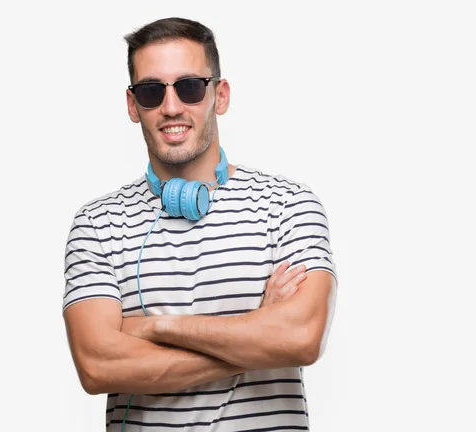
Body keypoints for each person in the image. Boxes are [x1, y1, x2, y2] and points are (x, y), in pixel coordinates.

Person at [62, 16, 338, 431]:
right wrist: (256, 331)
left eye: (190, 87)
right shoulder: (97, 225)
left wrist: (155, 327)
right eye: (152, 91)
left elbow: (301, 337)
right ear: (133, 105)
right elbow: (98, 365)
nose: (171, 107)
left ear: (220, 95)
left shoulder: (287, 205)